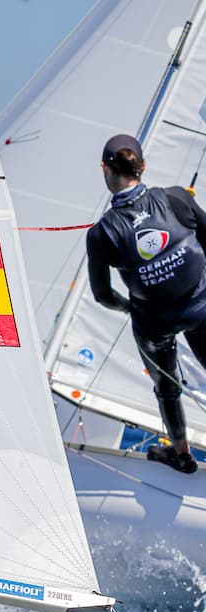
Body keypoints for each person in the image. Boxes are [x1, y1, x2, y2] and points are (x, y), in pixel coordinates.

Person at [86, 133, 206, 474]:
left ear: (105, 170)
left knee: (167, 388)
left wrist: (128, 307)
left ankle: (181, 455)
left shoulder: (101, 234)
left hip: (155, 322)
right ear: (143, 166)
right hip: (201, 304)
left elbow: (102, 294)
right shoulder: (177, 198)